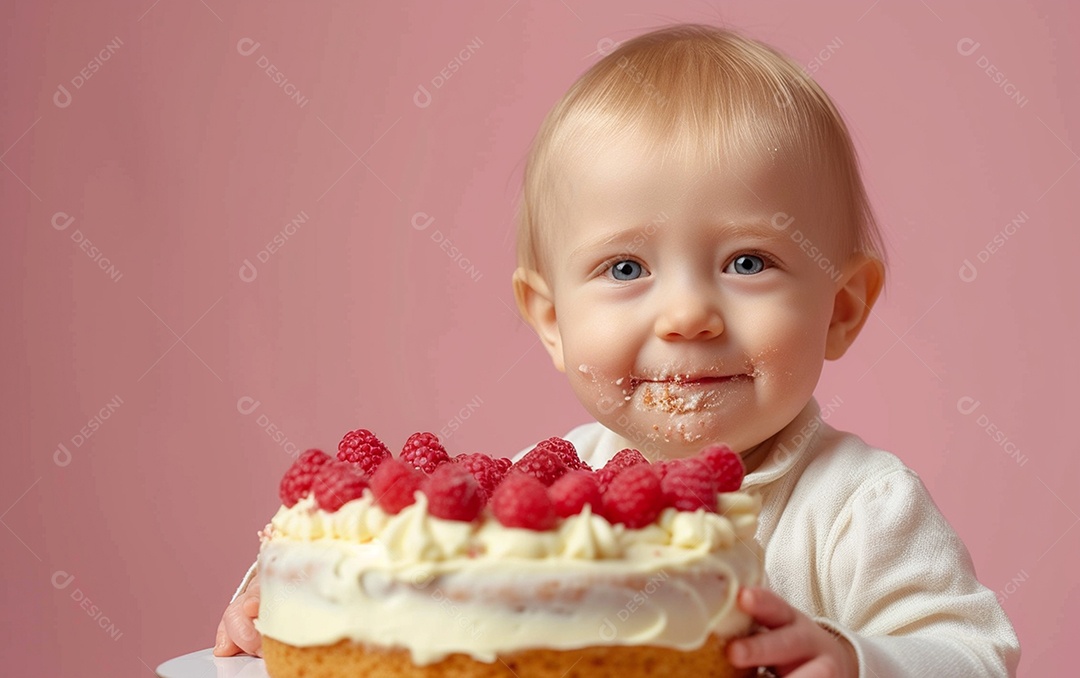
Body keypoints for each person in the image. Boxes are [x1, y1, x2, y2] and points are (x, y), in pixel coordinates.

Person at [217, 23, 1020, 675]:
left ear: (841, 310)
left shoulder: (858, 507)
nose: (687, 316)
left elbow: (976, 655)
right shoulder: (548, 483)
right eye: (626, 268)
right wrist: (282, 603)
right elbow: (421, 583)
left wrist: (857, 660)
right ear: (552, 320)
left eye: (748, 263)